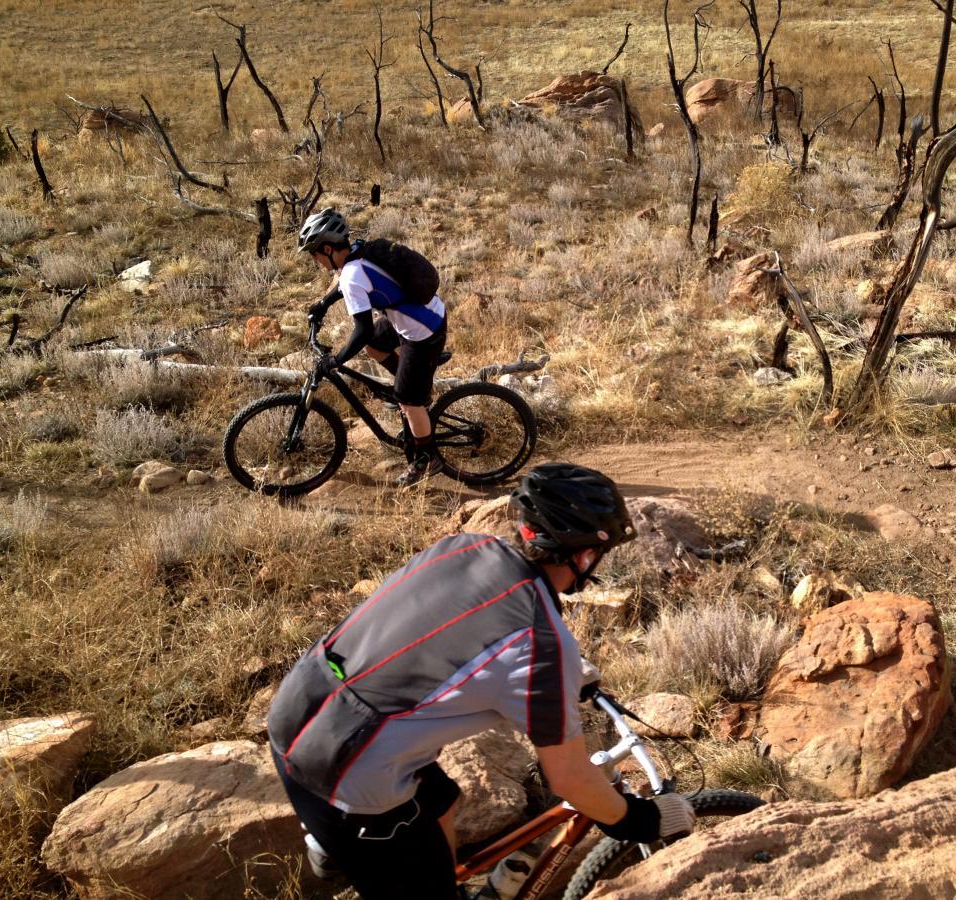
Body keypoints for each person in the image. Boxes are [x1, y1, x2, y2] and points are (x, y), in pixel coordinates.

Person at [267, 463, 695, 899]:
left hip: (300, 700)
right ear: (585, 555)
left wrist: (563, 670)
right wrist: (642, 821)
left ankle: (334, 845)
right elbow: (568, 779)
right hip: (344, 764)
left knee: (441, 802)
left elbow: (439, 626)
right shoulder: (541, 646)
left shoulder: (463, 547)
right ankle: (345, 846)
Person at [298, 207, 448, 487]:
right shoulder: (356, 251)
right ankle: (405, 386)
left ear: (328, 249)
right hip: (423, 314)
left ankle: (427, 457)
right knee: (375, 345)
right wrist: (324, 303)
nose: (316, 261)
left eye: (315, 254)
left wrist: (337, 360)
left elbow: (362, 329)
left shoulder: (351, 276)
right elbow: (350, 285)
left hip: (422, 331)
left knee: (408, 399)